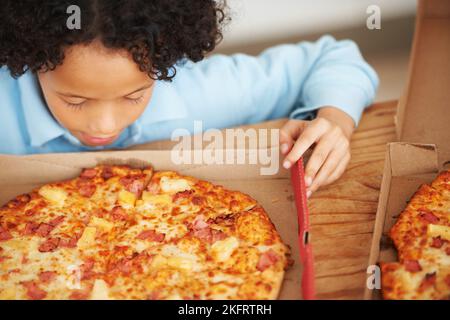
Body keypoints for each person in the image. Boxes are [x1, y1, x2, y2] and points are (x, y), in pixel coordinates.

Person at [0, 0, 378, 197]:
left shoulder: (202, 93)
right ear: (32, 60)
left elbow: (333, 57)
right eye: (76, 101)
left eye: (135, 95)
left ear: (165, 61)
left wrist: (334, 119)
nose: (106, 125)